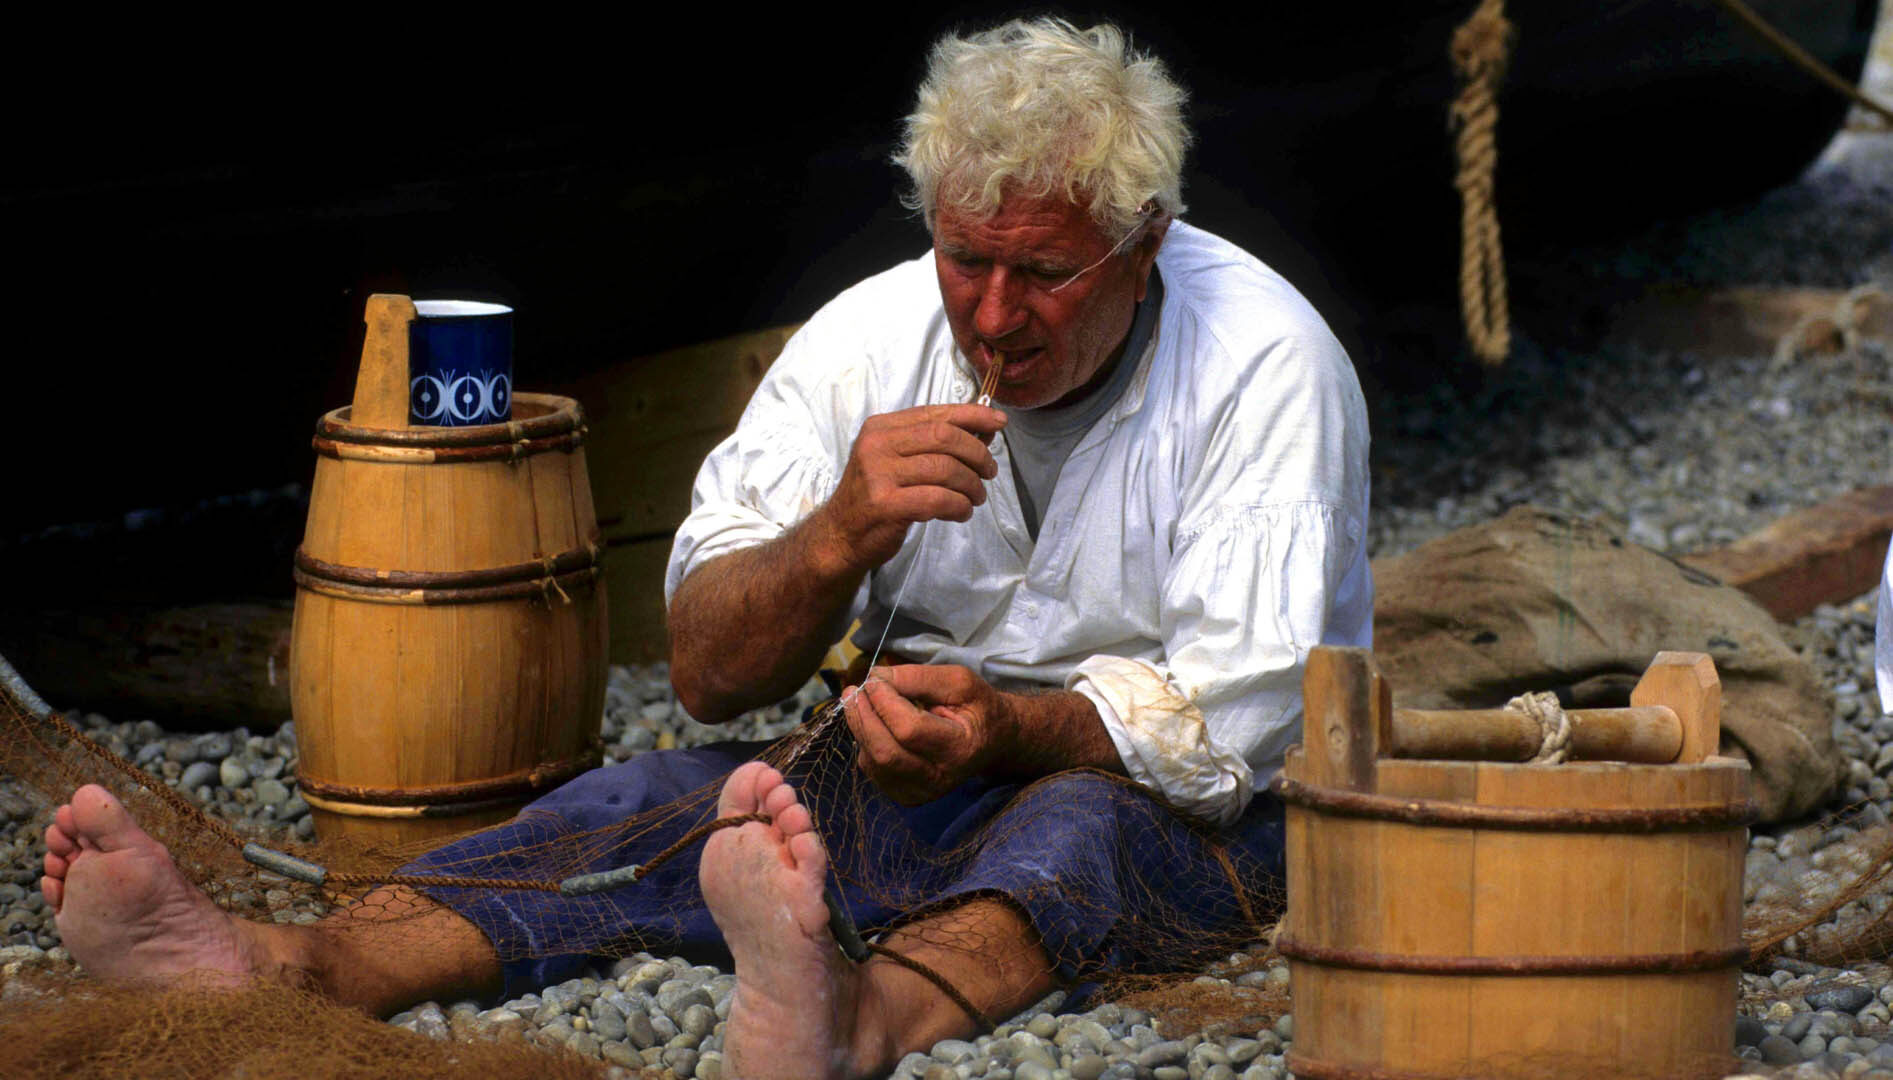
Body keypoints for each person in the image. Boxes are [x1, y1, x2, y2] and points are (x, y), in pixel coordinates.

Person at [39, 17, 1370, 1079]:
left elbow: (1242, 717)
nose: (995, 316)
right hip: (914, 761)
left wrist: (1014, 732)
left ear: (1143, 245)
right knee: (661, 802)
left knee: (1075, 847)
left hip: (1173, 799)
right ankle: (307, 965)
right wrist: (840, 530)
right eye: (967, 259)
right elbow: (706, 663)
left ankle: (862, 1021)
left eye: (1047, 273)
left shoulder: (1260, 363)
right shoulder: (867, 336)